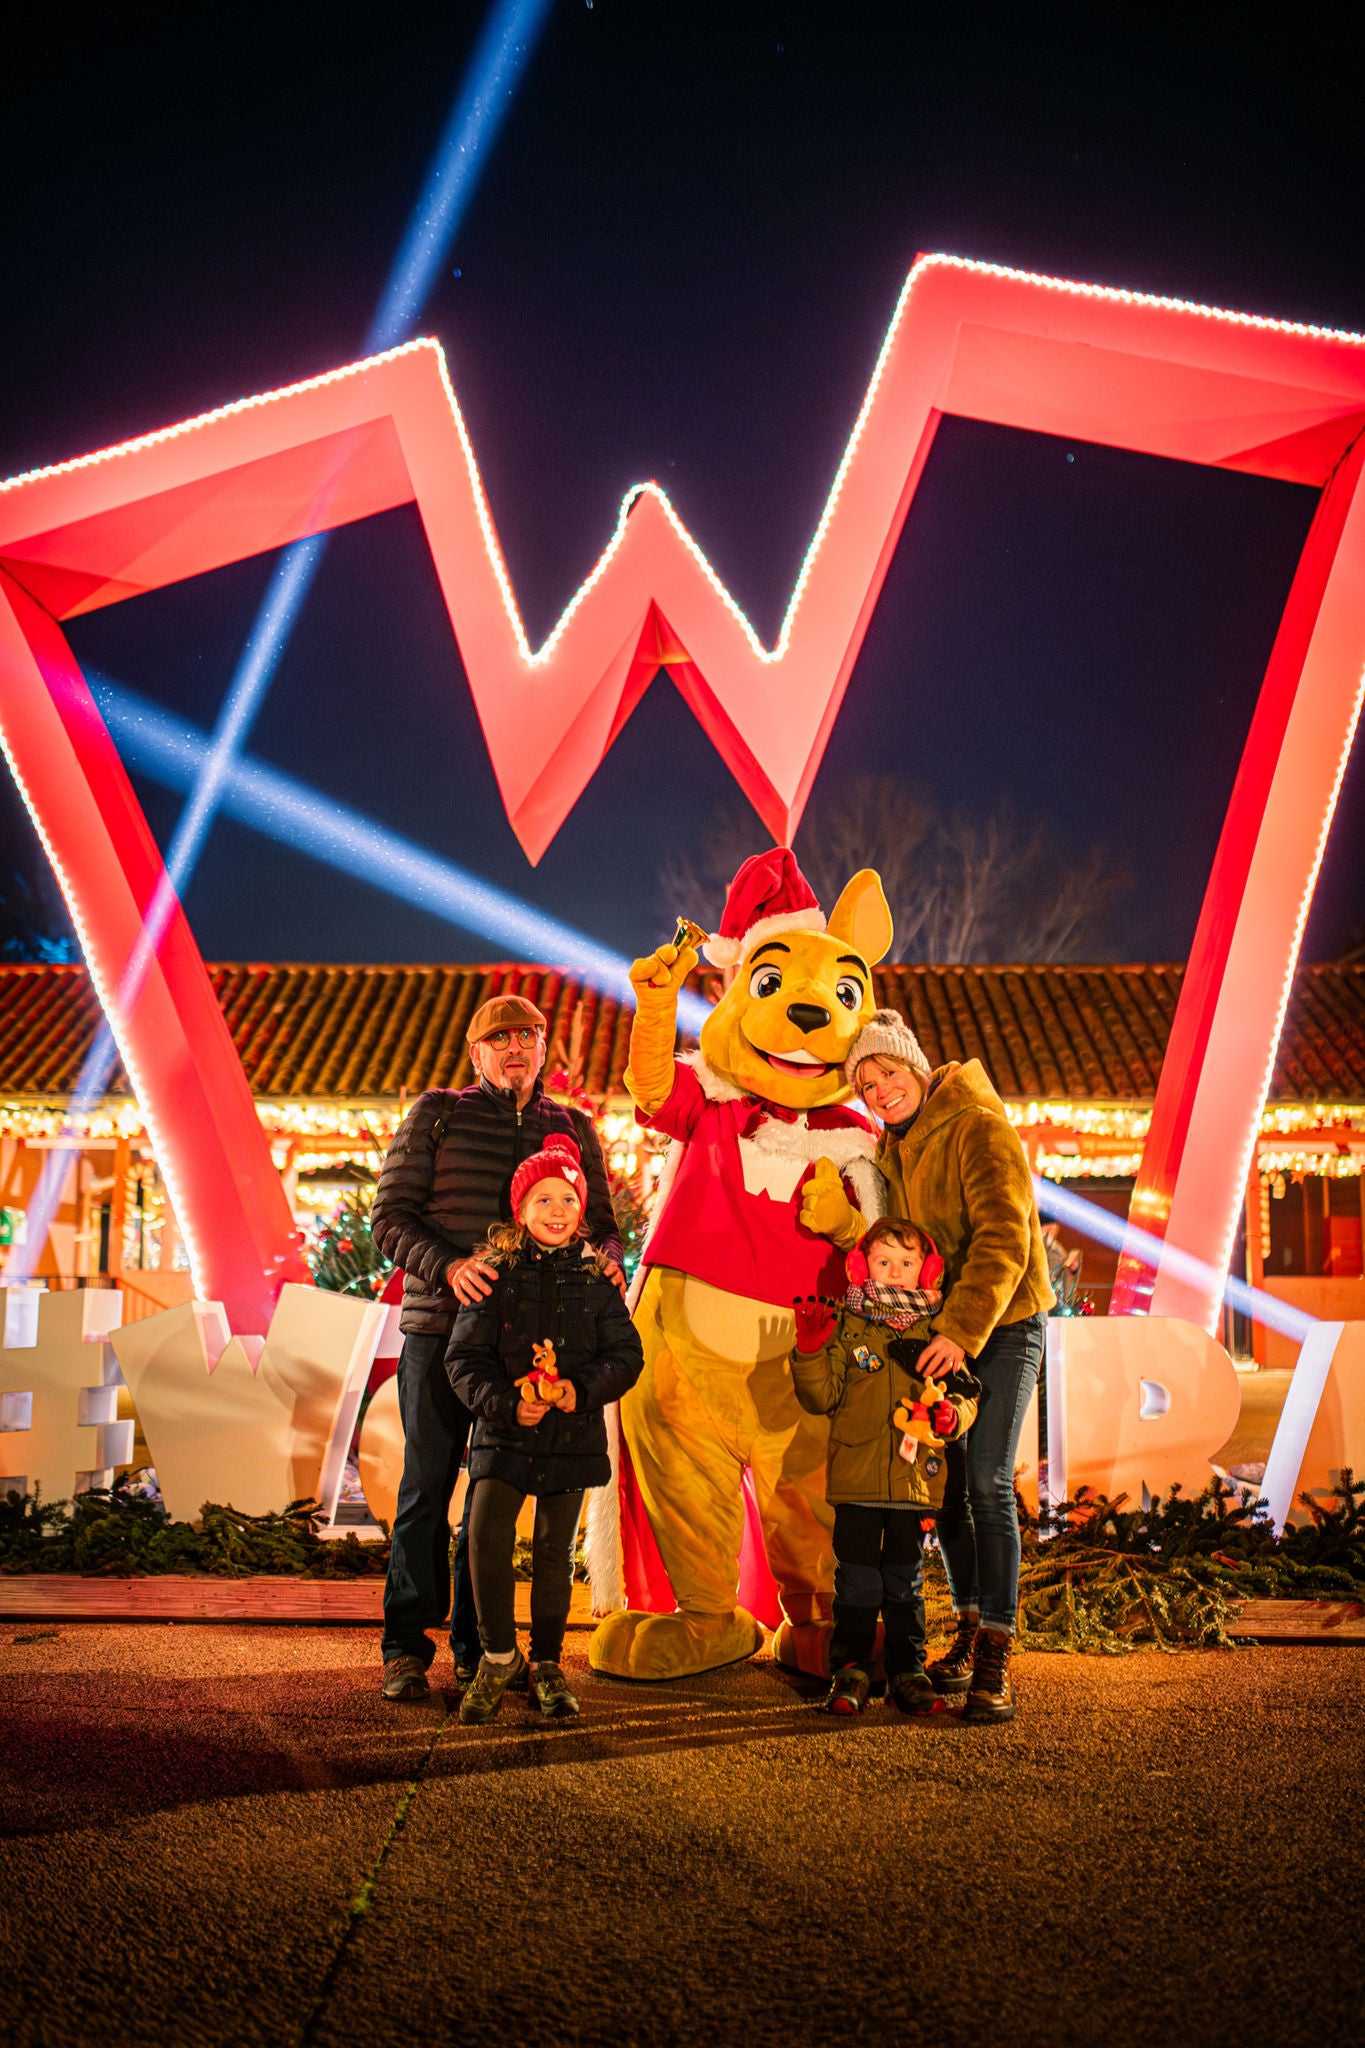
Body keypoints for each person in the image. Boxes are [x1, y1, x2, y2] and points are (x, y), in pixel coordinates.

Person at [371, 994, 625, 1702]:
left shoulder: (569, 1125)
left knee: (489, 1497)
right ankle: (404, 1648)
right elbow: (388, 1219)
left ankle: (477, 1650)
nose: (516, 1047)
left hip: (527, 1354)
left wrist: (605, 1259)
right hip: (437, 1331)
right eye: (500, 1038)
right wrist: (449, 1267)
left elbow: (603, 1226)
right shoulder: (438, 1114)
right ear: (476, 1052)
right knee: (426, 1488)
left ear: (544, 1049)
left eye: (529, 1036)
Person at [836, 1010, 1054, 1725]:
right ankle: (965, 1628)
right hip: (941, 1333)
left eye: (887, 1074)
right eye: (864, 1085)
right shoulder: (896, 1146)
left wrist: (960, 1331)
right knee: (951, 1487)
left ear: (917, 1068)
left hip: (1005, 1323)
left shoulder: (975, 1123)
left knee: (989, 1481)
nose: (878, 1091)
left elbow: (1005, 1234)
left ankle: (995, 1647)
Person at [447, 1136, 644, 1723]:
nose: (556, 1210)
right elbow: (463, 1361)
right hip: (503, 1436)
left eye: (567, 1199)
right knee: (485, 1538)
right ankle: (498, 1656)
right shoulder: (495, 1276)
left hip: (571, 1437)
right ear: (521, 1209)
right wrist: (507, 1404)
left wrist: (577, 1391)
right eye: (543, 1199)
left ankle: (550, 1662)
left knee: (556, 1553)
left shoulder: (595, 1281)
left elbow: (626, 1356)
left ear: (581, 1210)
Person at [790, 1217, 979, 1716]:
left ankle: (907, 1673)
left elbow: (964, 1397)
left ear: (927, 1269)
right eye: (884, 1261)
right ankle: (849, 1671)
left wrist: (952, 1415)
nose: (895, 1271)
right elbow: (821, 1397)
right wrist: (810, 1352)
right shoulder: (848, 1324)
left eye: (907, 1262)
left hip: (914, 1484)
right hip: (855, 1479)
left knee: (904, 1581)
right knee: (856, 1581)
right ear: (862, 1266)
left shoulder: (941, 1332)